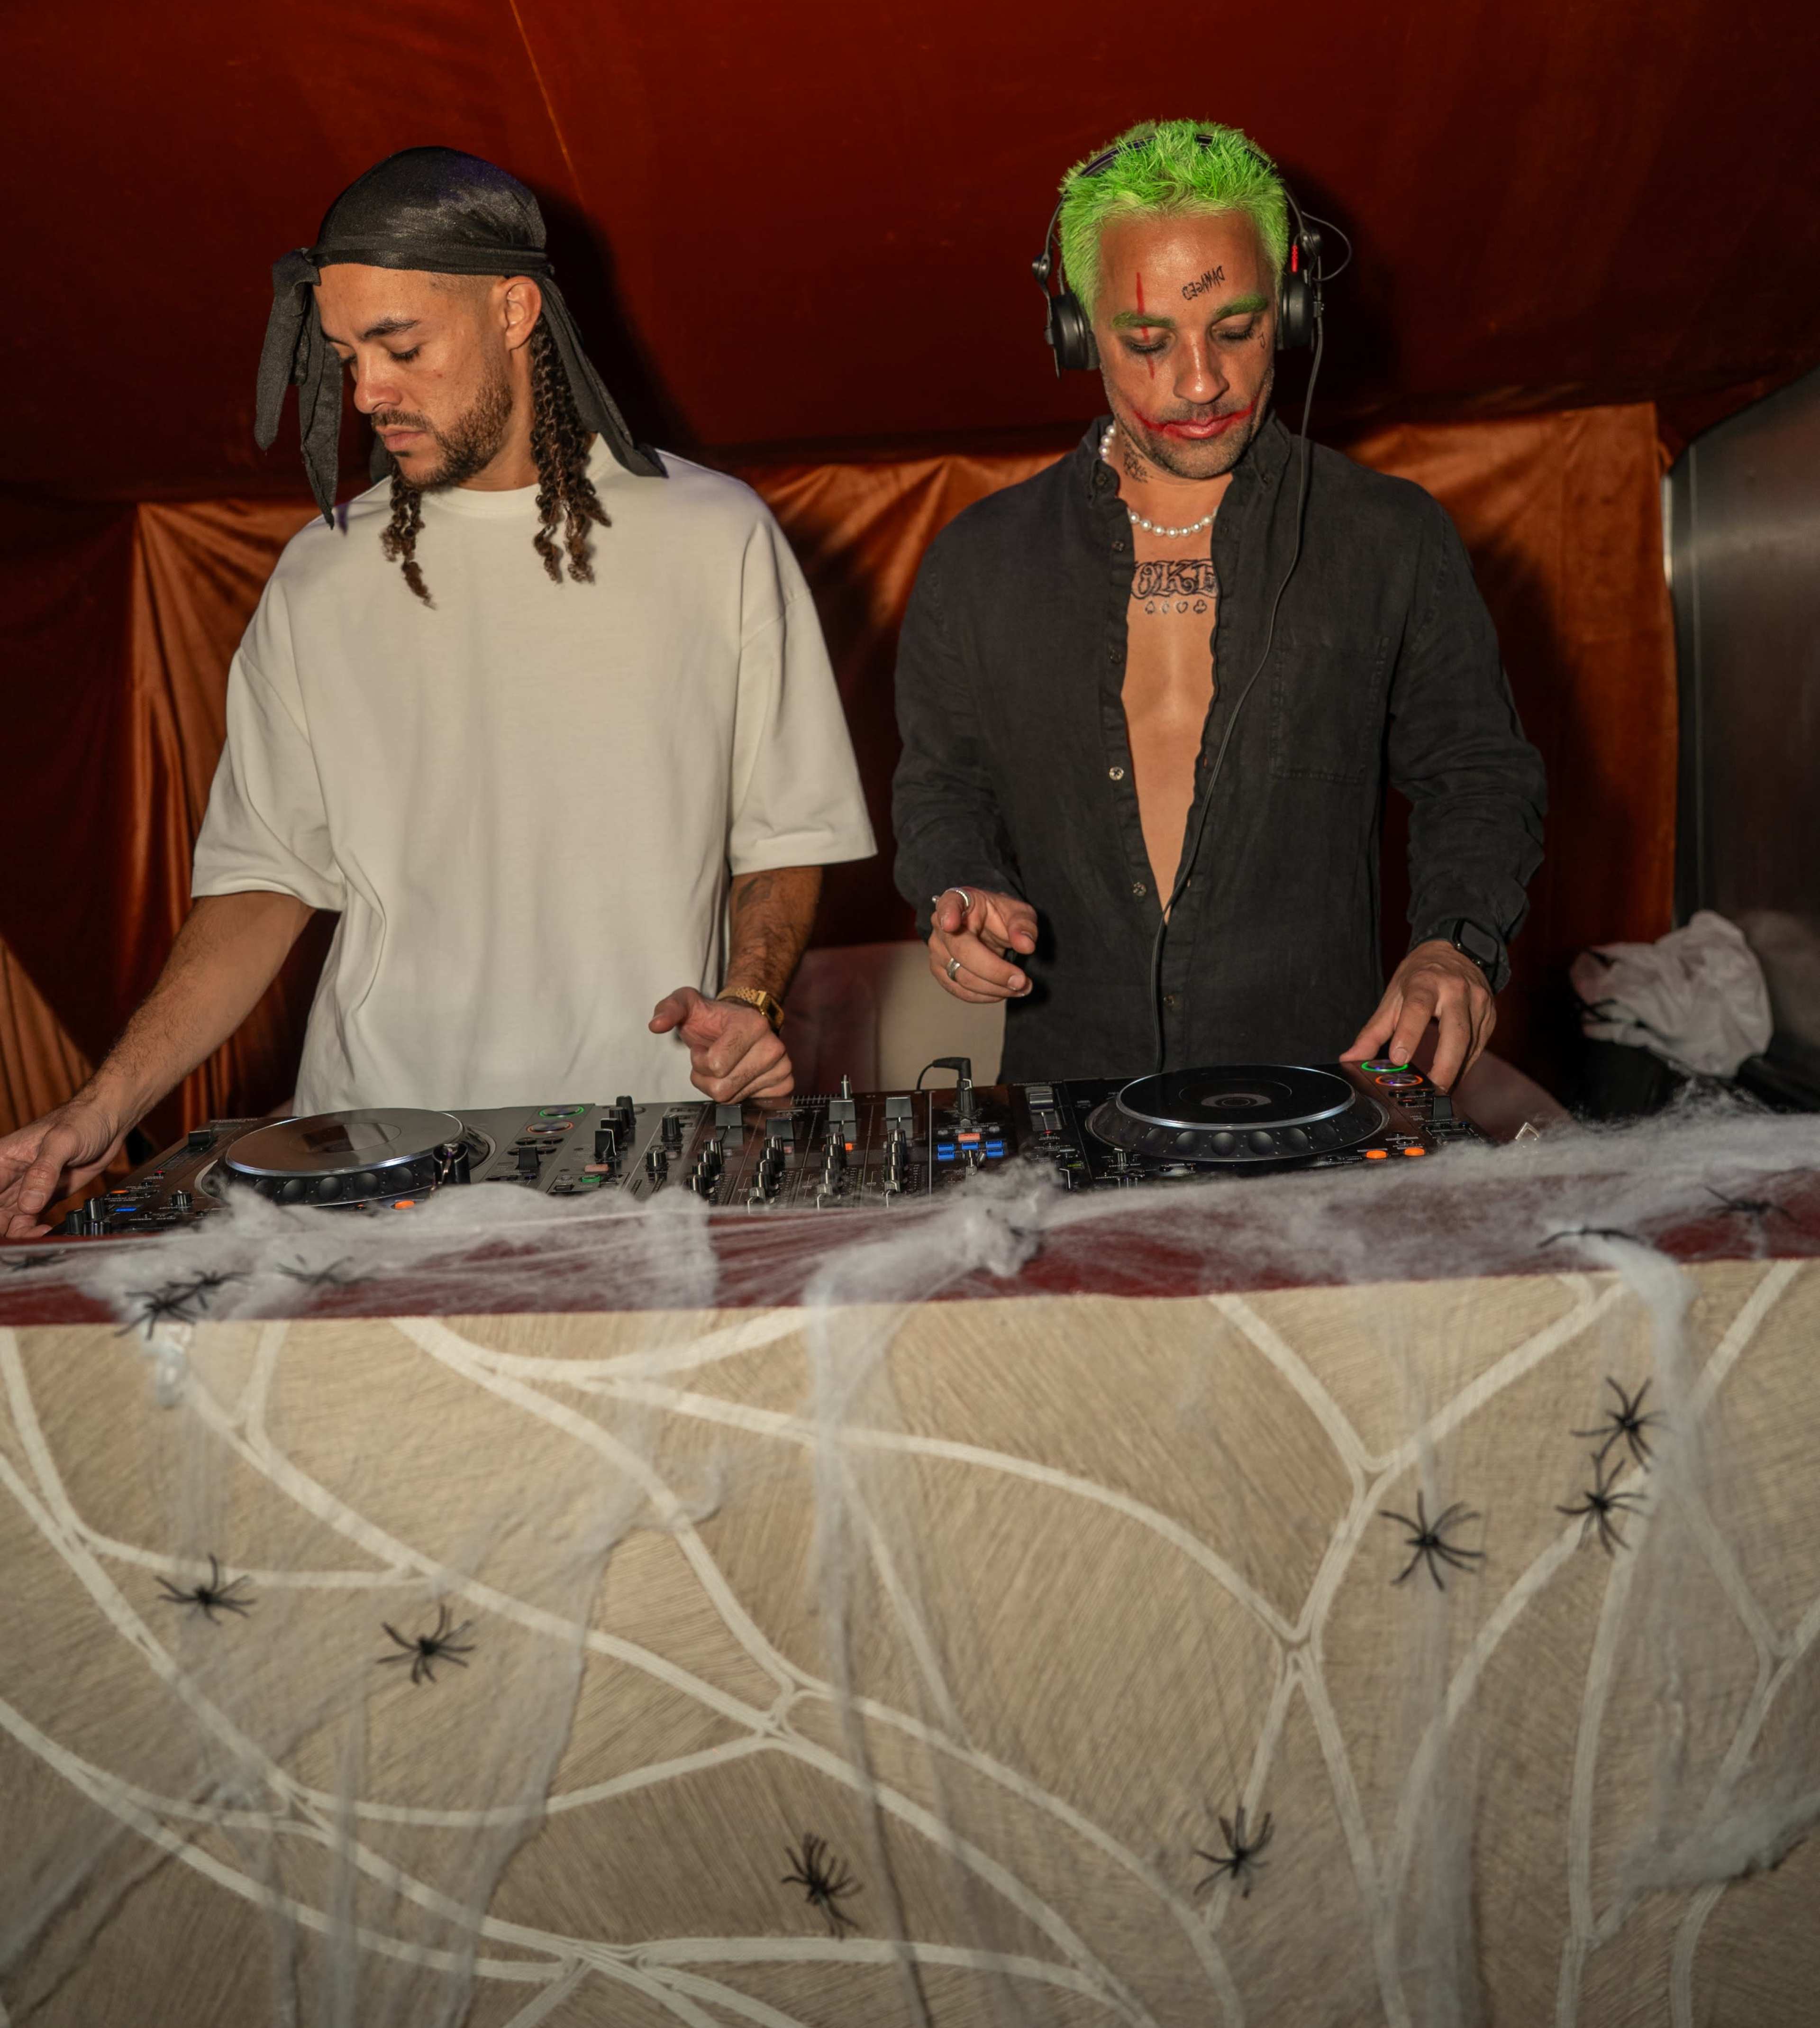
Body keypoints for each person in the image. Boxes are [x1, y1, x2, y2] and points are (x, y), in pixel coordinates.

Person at [0, 147, 873, 1237]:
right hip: (358, 1159)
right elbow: (261, 885)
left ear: (514, 308)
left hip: (637, 1150)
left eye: (399, 346)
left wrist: (748, 1001)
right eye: (344, 354)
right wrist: (102, 1108)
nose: (367, 391)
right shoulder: (320, 579)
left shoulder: (714, 536)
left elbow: (787, 830)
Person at [892, 117, 1544, 1091]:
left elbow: (1478, 774)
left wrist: (1456, 942)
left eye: (1235, 330)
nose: (1201, 383)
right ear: (1076, 330)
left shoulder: (1390, 538)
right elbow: (941, 790)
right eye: (1148, 341)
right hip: (1073, 1111)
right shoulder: (975, 565)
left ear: (1288, 305)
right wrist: (958, 893)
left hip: (1327, 1099)